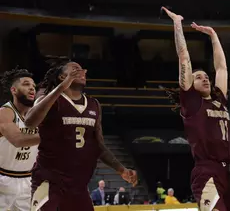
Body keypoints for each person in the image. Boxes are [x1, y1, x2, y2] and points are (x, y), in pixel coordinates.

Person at [25, 60, 138, 211]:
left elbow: (99, 146)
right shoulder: (50, 99)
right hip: (49, 181)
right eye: (75, 69)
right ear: (62, 77)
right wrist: (61, 88)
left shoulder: (93, 105)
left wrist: (121, 169)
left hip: (78, 185)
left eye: (83, 69)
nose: (82, 71)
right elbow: (30, 122)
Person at [162, 7, 230, 211]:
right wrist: (177, 23)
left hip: (226, 172)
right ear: (190, 84)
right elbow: (183, 57)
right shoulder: (192, 103)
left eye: (206, 76)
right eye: (198, 77)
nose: (204, 78)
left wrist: (213, 35)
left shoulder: (219, 99)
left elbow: (221, 68)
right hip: (206, 172)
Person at [0, 68, 40, 211]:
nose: (31, 88)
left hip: (28, 179)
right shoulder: (5, 112)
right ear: (14, 90)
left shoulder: (37, 115)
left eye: (34, 86)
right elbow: (17, 140)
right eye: (26, 84)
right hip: (3, 178)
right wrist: (52, 135)